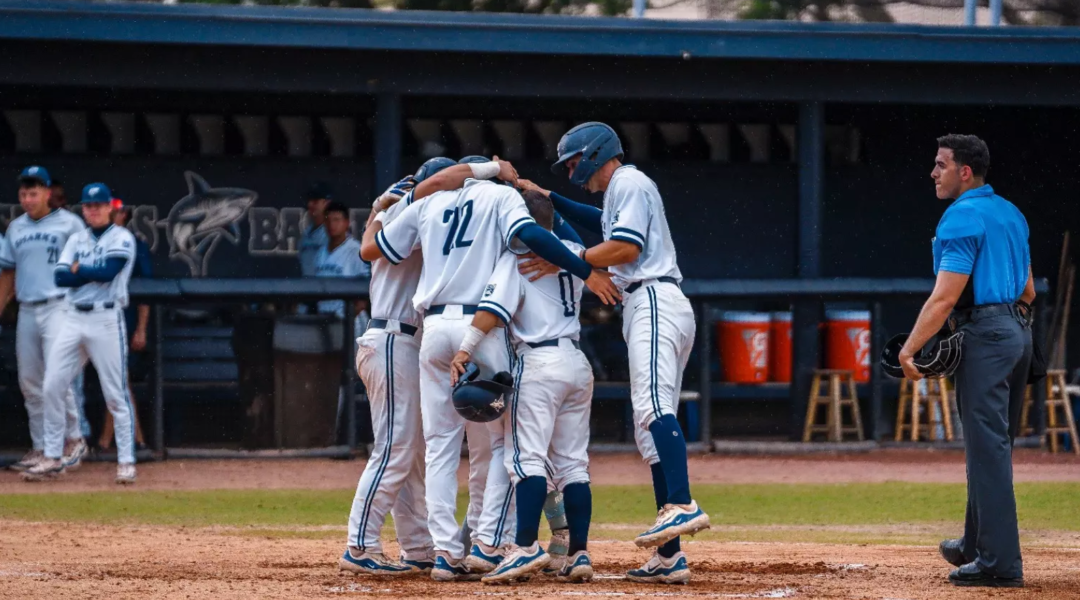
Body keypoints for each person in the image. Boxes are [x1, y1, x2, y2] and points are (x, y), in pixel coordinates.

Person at [360, 157, 617, 582]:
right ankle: (489, 542)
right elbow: (535, 233)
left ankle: (444, 551)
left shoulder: (426, 205)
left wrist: (381, 208)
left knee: (441, 445)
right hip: (494, 333)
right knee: (504, 448)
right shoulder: (503, 201)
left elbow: (374, 249)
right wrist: (585, 269)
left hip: (435, 326)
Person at [530, 122, 709, 584]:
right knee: (649, 432)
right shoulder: (620, 192)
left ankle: (683, 504)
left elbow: (626, 246)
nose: (572, 170)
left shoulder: (627, 181)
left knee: (652, 407)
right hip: (653, 302)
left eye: (573, 161)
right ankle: (669, 556)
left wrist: (571, 258)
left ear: (594, 153)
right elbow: (599, 224)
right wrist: (549, 198)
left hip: (652, 299)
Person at [900, 134, 1032, 588]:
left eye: (941, 165)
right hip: (1017, 331)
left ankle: (1000, 565)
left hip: (987, 336)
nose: (933, 173)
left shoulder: (961, 217)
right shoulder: (1010, 213)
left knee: (987, 452)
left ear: (965, 172)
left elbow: (945, 297)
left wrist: (909, 348)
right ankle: (975, 544)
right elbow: (1029, 291)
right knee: (993, 448)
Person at [450, 190, 595, 584]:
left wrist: (464, 350)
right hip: (577, 363)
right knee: (573, 465)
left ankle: (525, 547)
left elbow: (490, 312)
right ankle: (579, 553)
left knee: (525, 459)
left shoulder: (518, 258)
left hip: (539, 361)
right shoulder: (573, 251)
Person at [339, 157, 456, 578]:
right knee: (395, 447)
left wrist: (377, 209)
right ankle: (360, 544)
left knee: (412, 451)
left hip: (401, 341)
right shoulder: (417, 216)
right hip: (394, 338)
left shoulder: (396, 213)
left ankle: (419, 546)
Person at [23, 183, 138, 485]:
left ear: (109, 208)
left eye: (99, 205)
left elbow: (109, 272)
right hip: (73, 317)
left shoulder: (122, 237)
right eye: (88, 205)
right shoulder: (76, 238)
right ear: (83, 209)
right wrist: (81, 271)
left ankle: (126, 462)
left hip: (105, 318)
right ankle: (52, 455)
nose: (93, 210)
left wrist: (80, 270)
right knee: (51, 384)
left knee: (115, 393)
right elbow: (60, 276)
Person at [1, 166, 89, 473]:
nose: (27, 198)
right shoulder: (16, 228)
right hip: (27, 308)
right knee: (29, 381)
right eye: (23, 193)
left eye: (34, 192)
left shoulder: (70, 223)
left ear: (47, 193)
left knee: (57, 378)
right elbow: (8, 274)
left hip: (59, 306)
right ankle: (42, 447)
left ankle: (73, 439)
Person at [97, 202, 150, 452]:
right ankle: (134, 439)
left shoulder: (135, 244)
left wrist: (141, 328)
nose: (113, 214)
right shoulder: (89, 240)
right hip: (91, 318)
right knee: (117, 382)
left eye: (117, 210)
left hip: (123, 321)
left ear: (125, 214)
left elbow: (148, 292)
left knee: (120, 381)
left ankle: (109, 441)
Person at [314, 201, 370, 319]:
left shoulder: (356, 251)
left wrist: (345, 319)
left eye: (336, 220)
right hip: (324, 317)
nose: (331, 224)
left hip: (349, 321)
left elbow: (363, 299)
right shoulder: (320, 252)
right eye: (328, 220)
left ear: (346, 223)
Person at [298, 181, 332, 277]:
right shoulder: (305, 235)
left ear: (327, 203)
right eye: (309, 200)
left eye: (315, 201)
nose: (310, 204)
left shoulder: (335, 233)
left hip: (330, 288)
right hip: (307, 287)